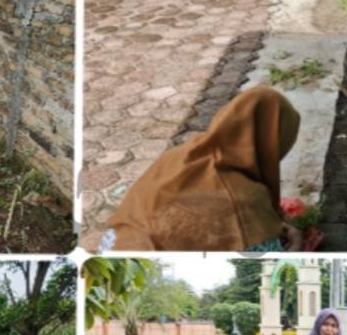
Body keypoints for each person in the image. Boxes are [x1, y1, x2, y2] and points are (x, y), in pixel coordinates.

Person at [100, 86, 307, 251]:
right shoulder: (243, 199)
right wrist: (296, 245)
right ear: (273, 144)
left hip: (113, 245)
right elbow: (265, 254)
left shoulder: (179, 155)